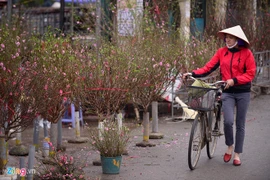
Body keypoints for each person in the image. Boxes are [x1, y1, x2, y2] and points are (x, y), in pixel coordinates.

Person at [183, 25, 256, 166]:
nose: (227, 40)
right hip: (227, 92)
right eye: (226, 38)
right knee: (228, 122)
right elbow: (208, 68)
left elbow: (250, 74)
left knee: (240, 124)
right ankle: (229, 146)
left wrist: (234, 80)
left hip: (243, 92)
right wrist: (192, 73)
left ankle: (237, 154)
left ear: (238, 39)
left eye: (230, 37)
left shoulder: (247, 53)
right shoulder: (222, 52)